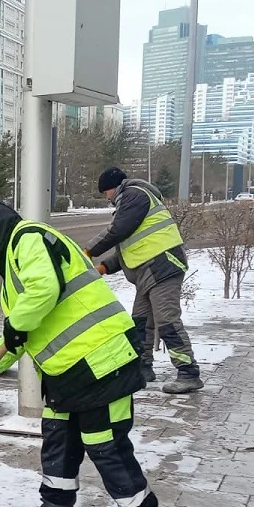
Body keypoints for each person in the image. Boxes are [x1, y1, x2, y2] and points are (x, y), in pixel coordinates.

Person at [0, 199, 165, 507]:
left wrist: (15, 327)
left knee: (105, 444)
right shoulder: (13, 266)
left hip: (103, 361)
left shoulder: (30, 238)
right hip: (68, 371)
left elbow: (42, 293)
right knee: (58, 437)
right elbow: (20, 333)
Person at [84, 167, 202, 395]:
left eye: (105, 193)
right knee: (140, 322)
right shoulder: (132, 200)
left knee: (167, 321)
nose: (106, 198)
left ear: (112, 188)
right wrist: (103, 267)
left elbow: (117, 231)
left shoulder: (134, 195)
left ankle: (188, 372)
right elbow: (131, 246)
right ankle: (142, 368)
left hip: (162, 266)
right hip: (149, 271)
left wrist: (88, 251)